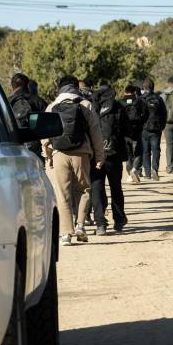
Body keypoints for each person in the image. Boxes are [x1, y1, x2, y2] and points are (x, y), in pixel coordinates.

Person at [43, 76, 105, 246]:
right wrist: (100, 156)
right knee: (84, 190)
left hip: (59, 154)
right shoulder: (85, 105)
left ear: (60, 88)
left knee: (62, 194)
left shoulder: (52, 107)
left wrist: (48, 155)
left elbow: (45, 136)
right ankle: (80, 225)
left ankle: (65, 234)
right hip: (82, 154)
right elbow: (96, 133)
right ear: (76, 87)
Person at [91, 85, 129, 235]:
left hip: (95, 155)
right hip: (114, 154)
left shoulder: (90, 107)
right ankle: (119, 220)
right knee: (116, 188)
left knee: (97, 188)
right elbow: (127, 130)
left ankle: (100, 223)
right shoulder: (119, 107)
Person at [9, 72, 46, 161]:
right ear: (27, 85)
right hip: (37, 151)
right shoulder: (39, 101)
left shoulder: (6, 103)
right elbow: (49, 124)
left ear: (12, 87)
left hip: (13, 150)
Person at [140, 78, 166, 181]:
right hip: (156, 129)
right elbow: (164, 114)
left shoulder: (141, 98)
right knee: (156, 150)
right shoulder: (158, 98)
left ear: (144, 87)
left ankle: (147, 173)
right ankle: (155, 169)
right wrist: (162, 126)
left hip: (144, 129)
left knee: (145, 151)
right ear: (153, 87)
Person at [120, 85, 148, 184]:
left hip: (125, 133)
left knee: (128, 154)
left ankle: (129, 175)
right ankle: (135, 169)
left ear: (125, 91)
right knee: (138, 152)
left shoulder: (120, 102)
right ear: (134, 92)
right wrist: (141, 123)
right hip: (137, 131)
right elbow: (146, 114)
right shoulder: (140, 101)